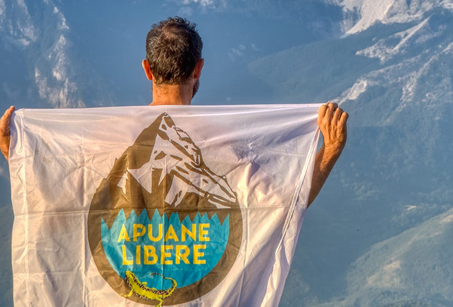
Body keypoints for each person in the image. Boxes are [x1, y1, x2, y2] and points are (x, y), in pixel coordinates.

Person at [0, 16, 348, 206]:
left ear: (147, 69)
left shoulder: (104, 139)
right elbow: (285, 204)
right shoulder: (225, 145)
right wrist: (329, 150)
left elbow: (53, 201)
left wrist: (12, 152)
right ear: (198, 69)